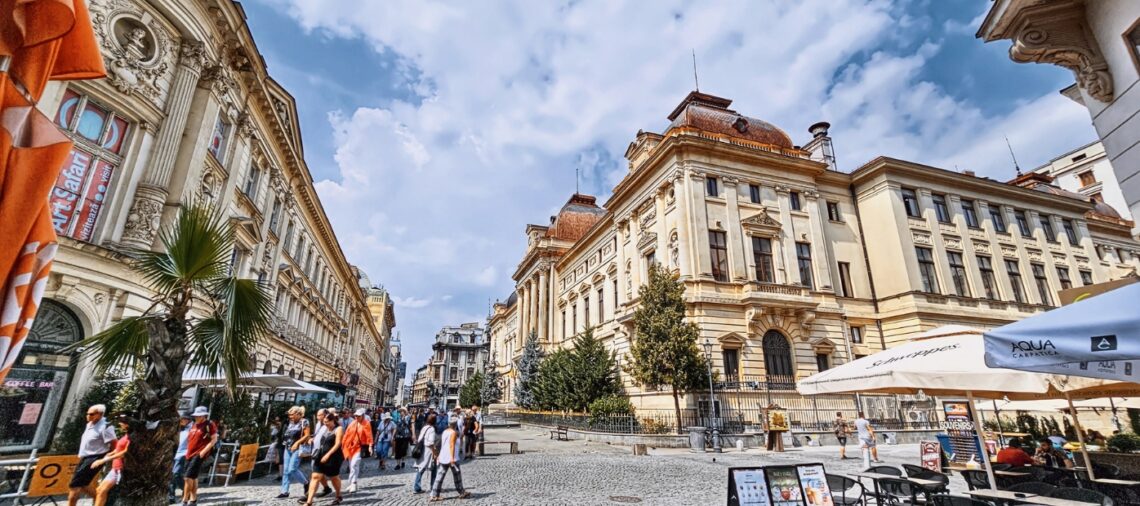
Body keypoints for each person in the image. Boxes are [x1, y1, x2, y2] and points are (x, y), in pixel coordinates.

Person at [68, 404, 118, 506]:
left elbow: (114, 443)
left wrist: (108, 458)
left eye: (91, 414)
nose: (88, 416)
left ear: (100, 414)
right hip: (85, 456)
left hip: (96, 457)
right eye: (87, 414)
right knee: (83, 484)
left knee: (75, 484)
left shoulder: (106, 426)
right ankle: (101, 499)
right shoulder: (90, 424)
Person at [303, 413, 344, 506]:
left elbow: (337, 444)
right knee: (315, 477)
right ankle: (309, 501)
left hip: (333, 458)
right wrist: (311, 440)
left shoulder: (339, 429)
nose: (325, 424)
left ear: (333, 421)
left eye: (327, 422)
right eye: (324, 422)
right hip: (320, 456)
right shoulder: (324, 428)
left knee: (334, 477)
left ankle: (338, 495)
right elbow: (317, 438)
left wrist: (328, 455)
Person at [182, 406, 218, 506]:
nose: (196, 417)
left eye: (198, 415)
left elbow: (214, 440)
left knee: (187, 477)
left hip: (199, 454)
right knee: (193, 477)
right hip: (189, 453)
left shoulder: (209, 424)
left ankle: (184, 500)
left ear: (204, 415)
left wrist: (203, 452)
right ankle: (193, 500)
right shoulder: (194, 425)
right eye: (195, 415)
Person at [93, 415, 131, 506]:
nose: (120, 424)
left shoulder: (131, 436)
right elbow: (119, 448)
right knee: (100, 490)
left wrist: (104, 460)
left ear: (127, 424)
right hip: (115, 468)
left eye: (121, 423)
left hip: (121, 469)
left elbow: (125, 452)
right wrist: (110, 453)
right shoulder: (125, 435)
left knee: (116, 495)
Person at [429, 420, 471, 501]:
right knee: (457, 476)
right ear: (455, 425)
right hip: (451, 458)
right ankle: (461, 492)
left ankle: (434, 495)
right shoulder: (453, 433)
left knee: (439, 477)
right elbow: (451, 445)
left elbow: (443, 443)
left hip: (443, 456)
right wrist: (452, 458)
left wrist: (438, 455)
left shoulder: (445, 431)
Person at [277, 406, 312, 499]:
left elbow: (307, 435)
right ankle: (284, 491)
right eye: (289, 415)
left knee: (292, 469)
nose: (290, 416)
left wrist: (297, 443)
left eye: (292, 415)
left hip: (298, 448)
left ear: (298, 414)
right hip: (287, 447)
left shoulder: (304, 421)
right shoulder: (290, 422)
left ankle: (306, 482)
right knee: (285, 471)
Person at [343, 408, 374, 493]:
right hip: (350, 447)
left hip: (359, 447)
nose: (356, 417)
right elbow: (346, 434)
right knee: (351, 466)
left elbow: (369, 435)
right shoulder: (352, 423)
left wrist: (370, 446)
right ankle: (352, 483)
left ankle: (353, 482)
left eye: (358, 416)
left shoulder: (366, 424)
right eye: (355, 415)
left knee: (354, 465)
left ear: (362, 416)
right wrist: (343, 444)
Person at [413, 413, 439, 494]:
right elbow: (431, 442)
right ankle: (433, 487)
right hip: (428, 451)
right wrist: (435, 453)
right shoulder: (431, 429)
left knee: (421, 468)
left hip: (422, 449)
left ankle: (417, 487)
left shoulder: (424, 427)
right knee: (433, 469)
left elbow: (420, 438)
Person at [168, 413, 192, 504]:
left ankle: (187, 491)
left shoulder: (191, 429)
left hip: (183, 454)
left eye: (184, 419)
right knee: (171, 476)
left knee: (176, 474)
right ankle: (171, 497)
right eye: (181, 419)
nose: (182, 421)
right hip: (173, 454)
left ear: (188, 420)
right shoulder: (177, 429)